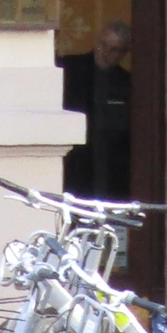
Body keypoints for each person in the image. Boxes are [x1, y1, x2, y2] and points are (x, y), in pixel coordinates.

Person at [60, 20, 133, 200]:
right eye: (103, 45)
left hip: (112, 174)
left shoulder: (127, 84)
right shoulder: (68, 69)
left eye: (114, 49)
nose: (106, 53)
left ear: (124, 53)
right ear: (96, 42)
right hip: (72, 167)